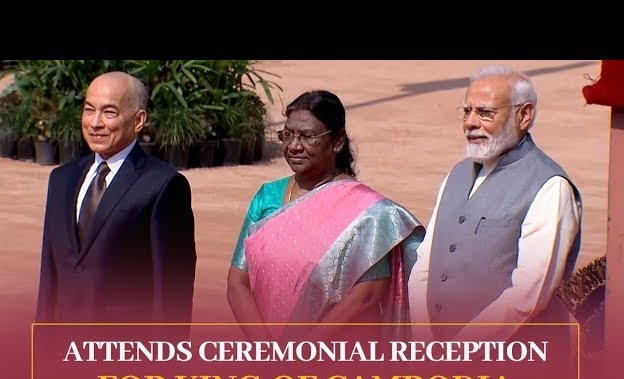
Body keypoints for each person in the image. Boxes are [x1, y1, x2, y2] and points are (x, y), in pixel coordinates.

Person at [408, 65, 582, 353]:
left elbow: (528, 295)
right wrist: (426, 342)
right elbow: (424, 264)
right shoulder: (457, 174)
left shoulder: (550, 186)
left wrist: (459, 352)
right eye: (466, 112)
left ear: (524, 115)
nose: (471, 123)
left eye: (485, 113)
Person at [227, 90, 425, 341]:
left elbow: (367, 294)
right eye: (288, 135)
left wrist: (304, 350)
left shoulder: (367, 213)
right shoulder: (267, 197)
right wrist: (267, 349)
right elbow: (237, 283)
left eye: (308, 137)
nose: (294, 146)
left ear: (338, 141)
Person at [35, 71, 197, 329]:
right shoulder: (61, 180)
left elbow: (172, 290)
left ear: (138, 120)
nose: (95, 122)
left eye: (109, 112)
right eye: (89, 110)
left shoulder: (163, 185)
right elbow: (49, 276)